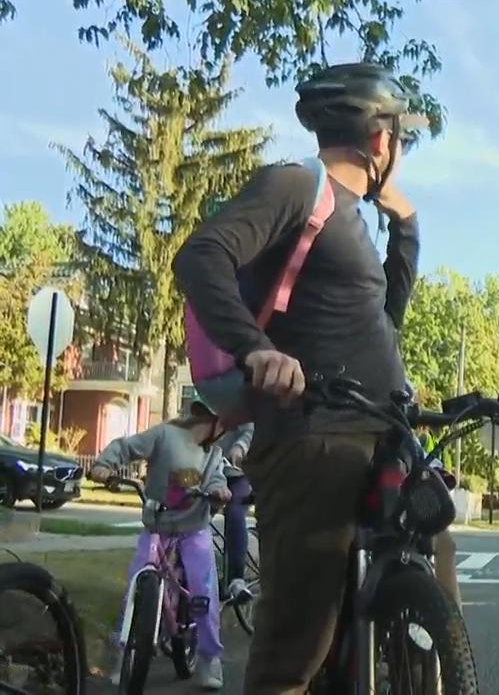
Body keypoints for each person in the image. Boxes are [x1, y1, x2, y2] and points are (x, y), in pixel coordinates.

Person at [173, 62, 438, 693]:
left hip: (381, 431)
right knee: (300, 640)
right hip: (314, 435)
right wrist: (257, 349)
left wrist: (406, 227)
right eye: (401, 137)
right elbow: (201, 256)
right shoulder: (297, 185)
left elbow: (386, 319)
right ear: (381, 139)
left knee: (434, 557)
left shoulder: (355, 222)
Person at [89, 397, 232, 689]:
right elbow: (126, 447)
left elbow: (217, 480)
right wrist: (104, 465)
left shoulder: (213, 455)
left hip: (193, 530)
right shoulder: (165, 435)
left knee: (203, 591)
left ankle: (209, 658)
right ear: (214, 421)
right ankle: (123, 654)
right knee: (136, 584)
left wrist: (220, 491)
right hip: (157, 527)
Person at [216, 422, 255, 603]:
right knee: (195, 511)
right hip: (209, 471)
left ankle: (236, 580)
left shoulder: (236, 406)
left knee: (235, 512)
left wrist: (240, 447)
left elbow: (249, 429)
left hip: (237, 472)